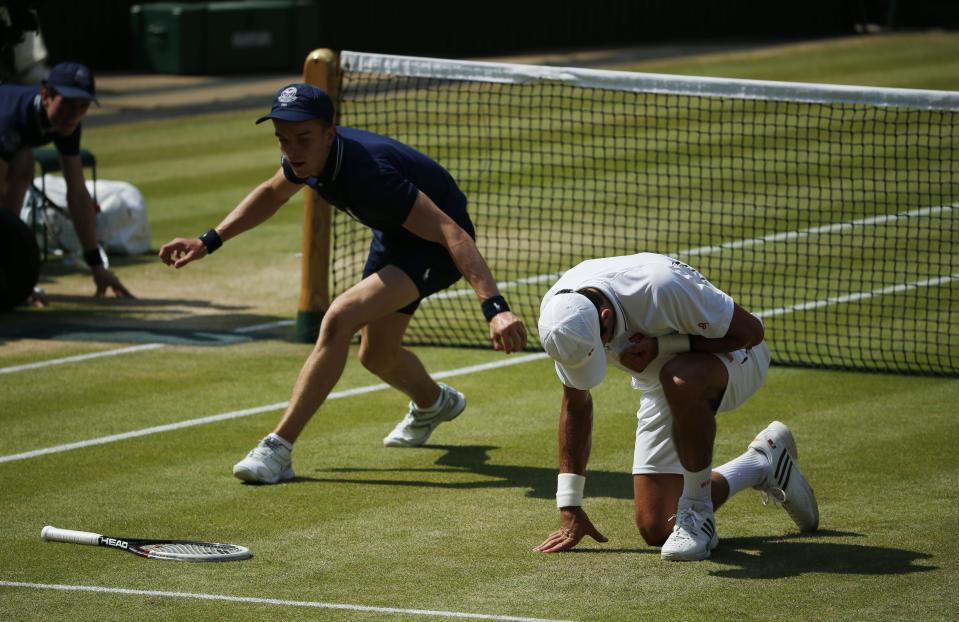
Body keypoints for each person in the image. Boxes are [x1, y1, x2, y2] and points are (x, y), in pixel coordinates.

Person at [159, 83, 528, 484]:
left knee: (340, 316)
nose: (291, 151)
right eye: (282, 140)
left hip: (434, 249)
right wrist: (207, 241)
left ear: (329, 134)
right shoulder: (306, 160)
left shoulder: (371, 172)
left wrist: (496, 308)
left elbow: (451, 232)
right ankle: (433, 403)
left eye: (302, 139)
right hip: (393, 237)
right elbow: (270, 194)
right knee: (376, 356)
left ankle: (278, 448)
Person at [533, 252, 818, 561]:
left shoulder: (659, 287)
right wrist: (570, 505)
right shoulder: (559, 318)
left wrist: (663, 346)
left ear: (604, 317)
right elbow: (576, 403)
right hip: (663, 381)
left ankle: (699, 514)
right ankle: (762, 463)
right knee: (656, 526)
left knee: (679, 378)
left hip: (735, 358)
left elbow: (750, 333)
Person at [0, 61, 132, 300]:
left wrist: (97, 266)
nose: (74, 114)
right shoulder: (9, 121)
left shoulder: (66, 123)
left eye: (83, 106)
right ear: (46, 95)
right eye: (67, 105)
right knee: (20, 166)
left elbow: (78, 193)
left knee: (22, 163)